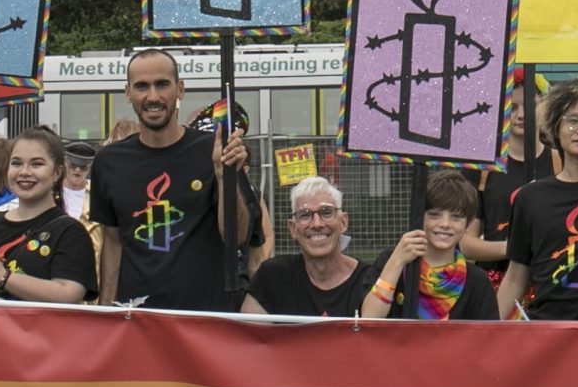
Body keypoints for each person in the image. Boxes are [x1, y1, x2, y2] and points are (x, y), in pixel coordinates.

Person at [90, 50, 262, 312]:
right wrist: (105, 310)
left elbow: (236, 238)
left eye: (162, 84)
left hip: (204, 317)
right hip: (137, 317)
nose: (153, 97)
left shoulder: (217, 151)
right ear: (127, 93)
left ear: (180, 89)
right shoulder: (108, 162)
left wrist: (221, 173)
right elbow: (113, 244)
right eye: (141, 86)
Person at [497, 80, 578, 319]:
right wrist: (484, 334)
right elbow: (515, 278)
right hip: (547, 332)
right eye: (573, 120)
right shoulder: (529, 197)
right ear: (556, 128)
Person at [0, 129, 99, 304]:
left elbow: (69, 293)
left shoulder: (70, 232)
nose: (24, 172)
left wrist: (3, 276)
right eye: (16, 163)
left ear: (58, 172)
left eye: (36, 164)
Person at [363, 172, 500, 321]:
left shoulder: (478, 281)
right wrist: (397, 261)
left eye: (456, 217)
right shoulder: (390, 261)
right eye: (434, 215)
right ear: (419, 216)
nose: (445, 224)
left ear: (469, 223)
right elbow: (369, 317)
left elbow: (488, 339)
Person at [246, 177, 372, 316]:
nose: (317, 224)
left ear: (343, 222)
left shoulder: (368, 281)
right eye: (305, 215)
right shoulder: (272, 277)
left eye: (326, 213)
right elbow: (246, 334)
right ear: (292, 228)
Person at [464, 68, 545, 287]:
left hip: (547, 283)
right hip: (495, 282)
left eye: (530, 105)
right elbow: (466, 244)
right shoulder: (483, 167)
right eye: (512, 106)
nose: (521, 115)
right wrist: (514, 248)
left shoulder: (560, 162)